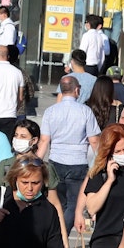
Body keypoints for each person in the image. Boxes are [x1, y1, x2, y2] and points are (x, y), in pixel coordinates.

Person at [38, 75, 101, 234]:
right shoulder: (85, 111)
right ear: (77, 90)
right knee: (74, 204)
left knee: (57, 201)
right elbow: (94, 141)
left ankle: (55, 233)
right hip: (78, 162)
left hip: (55, 161)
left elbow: (44, 141)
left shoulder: (50, 111)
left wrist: (36, 162)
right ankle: (62, 234)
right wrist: (101, 160)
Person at [0, 119, 68, 243]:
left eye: (23, 136)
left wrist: (63, 237)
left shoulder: (45, 168)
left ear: (34, 140)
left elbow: (55, 203)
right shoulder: (5, 165)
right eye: (16, 135)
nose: (17, 139)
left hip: (37, 228)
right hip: (8, 228)